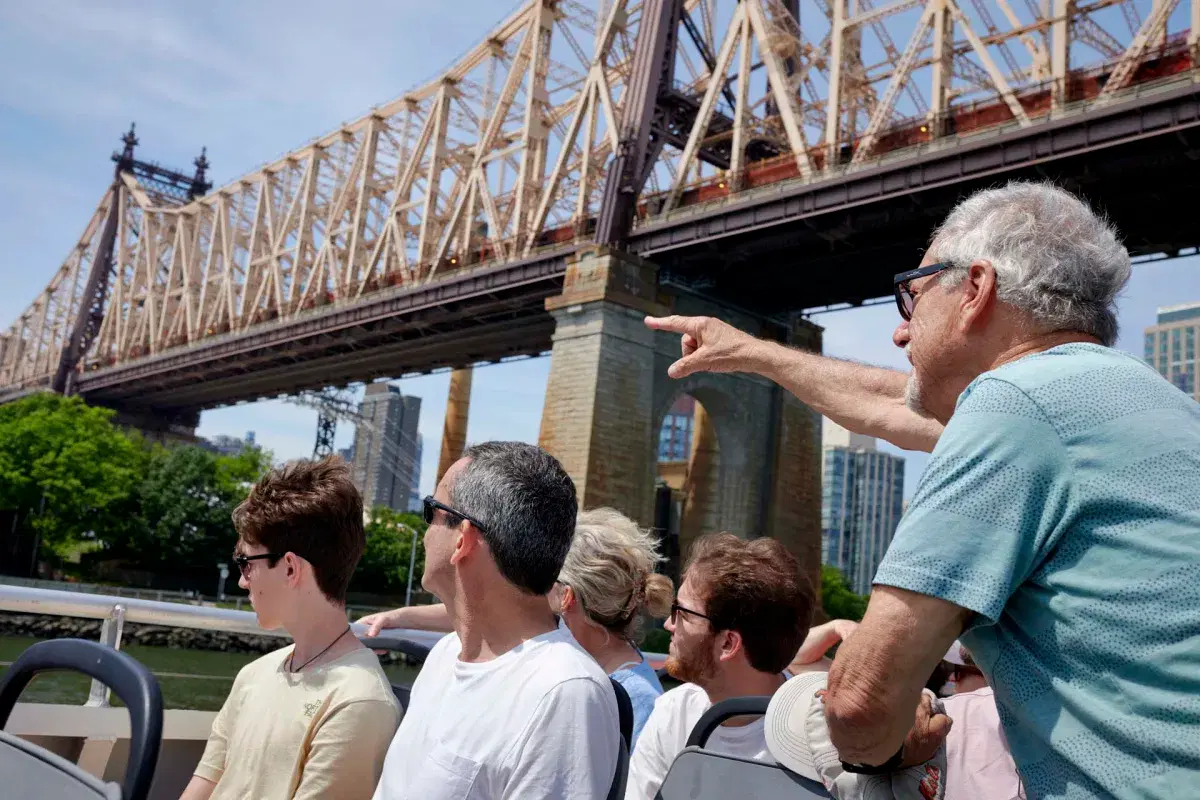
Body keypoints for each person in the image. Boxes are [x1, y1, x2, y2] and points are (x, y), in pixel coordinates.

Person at [647, 180, 1200, 798]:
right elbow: (895, 409)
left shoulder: (1012, 404)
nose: (899, 333)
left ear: (976, 289)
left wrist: (874, 745)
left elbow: (859, 705)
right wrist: (754, 353)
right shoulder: (1137, 403)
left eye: (911, 296)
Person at [371, 442, 620, 799]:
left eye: (432, 511)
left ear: (464, 540)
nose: (425, 530)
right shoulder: (446, 653)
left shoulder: (564, 695)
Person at [180, 457, 401, 800]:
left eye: (245, 563)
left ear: (289, 569)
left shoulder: (358, 704)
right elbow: (202, 787)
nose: (242, 580)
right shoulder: (255, 673)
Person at [361, 506, 673, 745]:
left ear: (566, 597)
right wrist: (401, 617)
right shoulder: (580, 659)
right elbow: (490, 613)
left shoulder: (635, 701)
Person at [624, 533, 813, 799]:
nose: (669, 624)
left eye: (681, 612)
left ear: (727, 643)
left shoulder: (817, 738)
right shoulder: (673, 713)